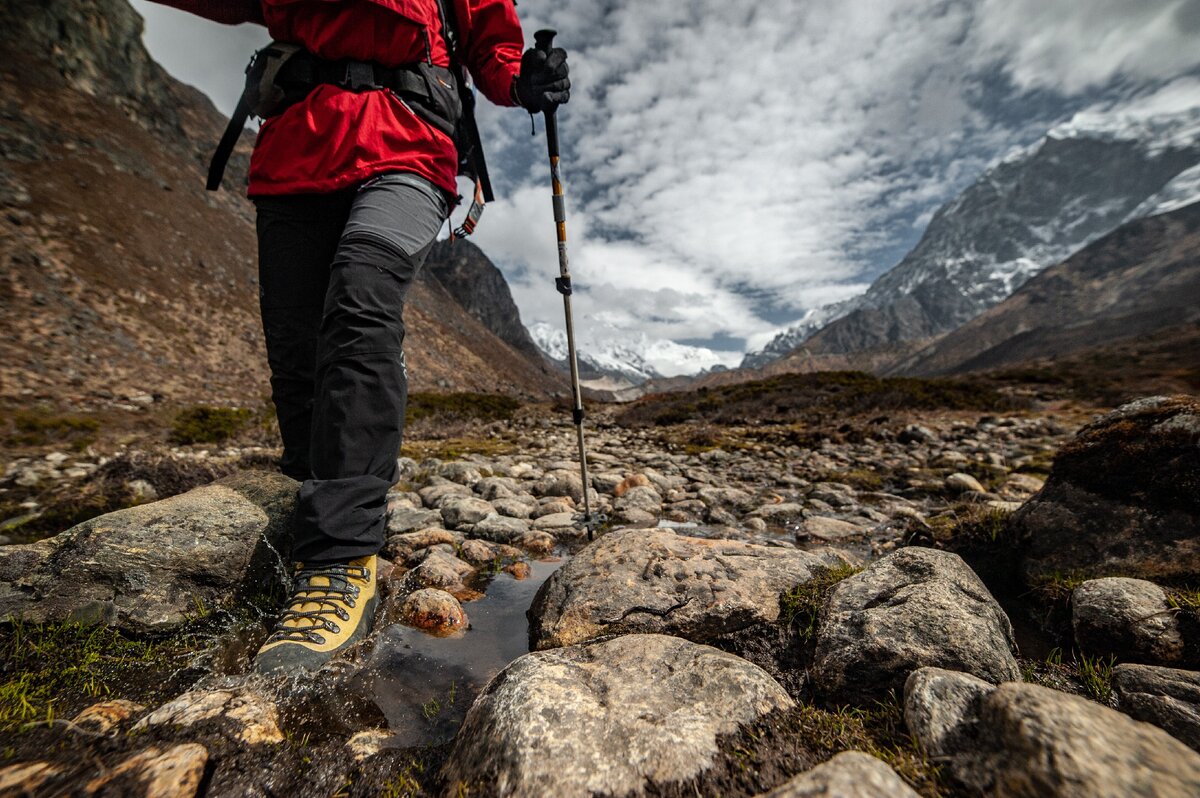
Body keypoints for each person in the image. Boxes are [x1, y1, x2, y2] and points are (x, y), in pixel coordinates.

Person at [148, 0, 569, 672]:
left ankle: (342, 561)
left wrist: (524, 79)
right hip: (296, 149)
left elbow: (491, 40)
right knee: (297, 346)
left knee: (361, 300)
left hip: (407, 144)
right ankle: (304, 516)